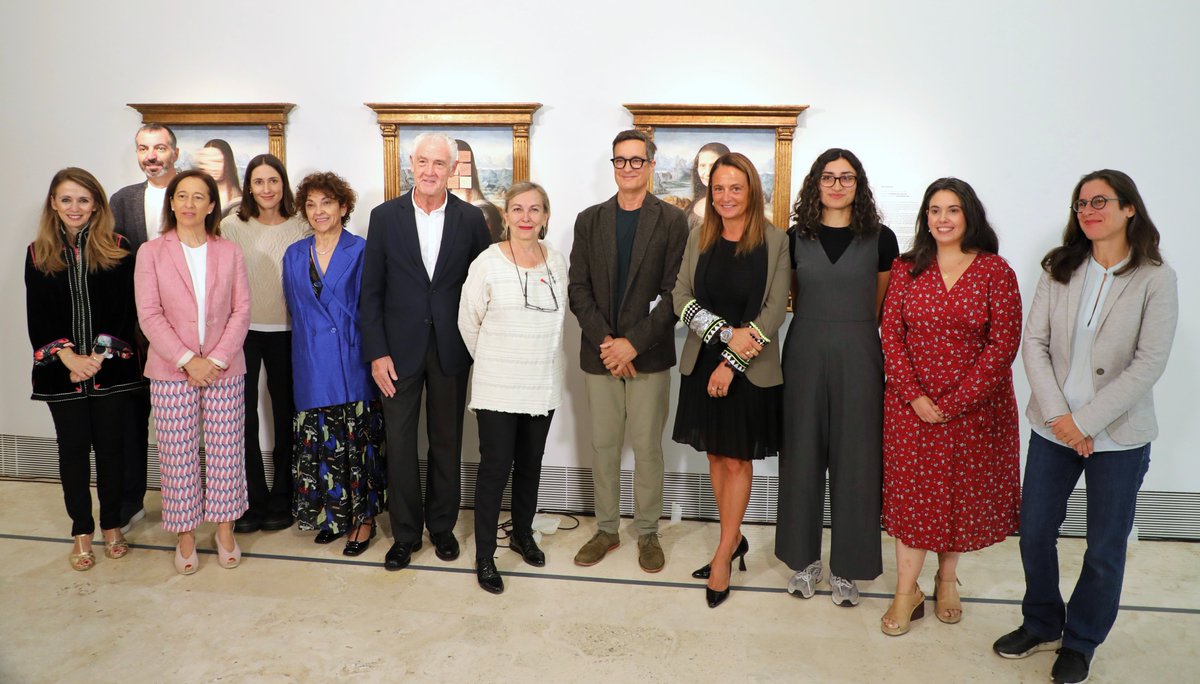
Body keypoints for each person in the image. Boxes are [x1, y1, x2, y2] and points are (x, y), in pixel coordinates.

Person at [993, 170, 1178, 684]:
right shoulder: (1059, 267)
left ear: (1129, 208)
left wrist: (1086, 422)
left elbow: (1148, 363)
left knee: (1103, 548)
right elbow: (1034, 344)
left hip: (1119, 437)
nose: (1089, 211)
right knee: (1034, 532)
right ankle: (1041, 623)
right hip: (1053, 430)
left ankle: (1081, 641)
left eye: (1100, 201)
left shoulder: (1156, 277)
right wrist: (1061, 419)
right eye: (1081, 203)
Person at [878, 177, 1022, 636]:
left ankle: (946, 579)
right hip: (910, 407)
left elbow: (1003, 345)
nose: (943, 219)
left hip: (975, 410)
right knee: (913, 500)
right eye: (935, 210)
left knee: (956, 496)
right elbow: (891, 334)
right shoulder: (906, 268)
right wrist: (915, 395)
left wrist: (955, 402)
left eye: (952, 210)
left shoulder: (995, 271)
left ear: (968, 215)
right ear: (926, 218)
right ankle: (906, 592)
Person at [360, 132, 491, 571]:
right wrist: (377, 353)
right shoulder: (384, 217)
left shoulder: (471, 219)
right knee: (399, 444)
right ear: (411, 165)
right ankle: (405, 534)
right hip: (396, 354)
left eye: (439, 163)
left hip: (452, 349)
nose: (430, 170)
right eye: (423, 162)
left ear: (452, 169)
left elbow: (482, 288)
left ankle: (442, 527)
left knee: (446, 441)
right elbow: (371, 291)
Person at [775, 148, 899, 607]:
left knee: (857, 461)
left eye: (847, 177)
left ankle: (848, 568)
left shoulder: (881, 239)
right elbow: (792, 294)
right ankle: (804, 562)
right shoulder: (795, 237)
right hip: (804, 350)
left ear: (858, 184)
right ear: (816, 183)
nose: (837, 185)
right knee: (801, 455)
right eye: (828, 177)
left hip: (860, 352)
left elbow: (880, 302)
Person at [567, 129, 688, 572]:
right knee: (603, 446)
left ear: (651, 166)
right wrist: (608, 342)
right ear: (613, 165)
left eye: (637, 160)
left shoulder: (672, 222)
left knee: (647, 447)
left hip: (648, 355)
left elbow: (676, 294)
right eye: (621, 160)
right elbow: (578, 289)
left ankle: (648, 532)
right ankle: (606, 530)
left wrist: (632, 344)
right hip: (600, 355)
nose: (628, 168)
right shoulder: (589, 220)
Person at [673, 152, 790, 607]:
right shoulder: (699, 237)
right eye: (718, 188)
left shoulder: (775, 241)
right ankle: (733, 538)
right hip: (703, 361)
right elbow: (680, 296)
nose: (726, 196)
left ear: (752, 191)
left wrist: (732, 361)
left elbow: (774, 311)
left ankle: (723, 553)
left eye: (735, 188)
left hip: (750, 369)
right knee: (717, 455)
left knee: (739, 460)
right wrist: (724, 336)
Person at [25, 168, 146, 570]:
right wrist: (68, 357)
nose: (74, 207)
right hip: (61, 373)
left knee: (112, 449)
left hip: (110, 369)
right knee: (73, 451)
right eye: (66, 199)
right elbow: (38, 316)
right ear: (54, 204)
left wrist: (95, 357)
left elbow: (125, 310)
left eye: (83, 199)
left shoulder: (118, 247)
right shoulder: (37, 253)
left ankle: (111, 525)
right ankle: (81, 530)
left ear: (96, 204)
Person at [134, 169, 251, 575]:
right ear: (171, 202)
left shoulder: (229, 251)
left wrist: (214, 360)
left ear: (211, 205)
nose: (188, 203)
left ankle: (224, 530)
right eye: (181, 195)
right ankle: (185, 534)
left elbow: (241, 310)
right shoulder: (151, 252)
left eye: (198, 196)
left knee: (226, 452)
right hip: (171, 370)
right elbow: (149, 314)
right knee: (177, 455)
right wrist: (187, 359)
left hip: (224, 369)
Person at [459, 181, 568, 594]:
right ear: (505, 216)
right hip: (499, 385)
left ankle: (523, 533)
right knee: (494, 469)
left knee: (530, 465)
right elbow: (468, 321)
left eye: (534, 209)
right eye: (518, 209)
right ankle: (485, 555)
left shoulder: (556, 261)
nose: (526, 217)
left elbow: (559, 322)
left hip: (542, 383)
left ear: (545, 216)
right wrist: (494, 360)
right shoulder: (487, 263)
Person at [283, 172, 386, 556]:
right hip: (311, 362)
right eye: (311, 204)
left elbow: (372, 307)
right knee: (320, 444)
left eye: (326, 202)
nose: (318, 211)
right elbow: (296, 310)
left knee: (357, 444)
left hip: (351, 360)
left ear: (343, 207)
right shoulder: (294, 254)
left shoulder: (361, 250)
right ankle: (334, 515)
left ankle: (364, 519)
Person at [221, 154, 310, 534]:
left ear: (283, 184)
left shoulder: (302, 225)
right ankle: (251, 499)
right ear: (248, 187)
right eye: (258, 182)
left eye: (273, 180)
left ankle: (283, 497)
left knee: (286, 413)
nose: (266, 189)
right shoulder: (231, 226)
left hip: (288, 331)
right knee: (243, 416)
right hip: (242, 331)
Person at [110, 122, 179, 530]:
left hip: (187, 330)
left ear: (175, 152)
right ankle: (131, 500)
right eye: (143, 148)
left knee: (188, 425)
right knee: (133, 417)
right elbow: (113, 263)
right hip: (135, 329)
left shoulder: (192, 193)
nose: (151, 156)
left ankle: (201, 502)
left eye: (159, 147)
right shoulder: (123, 200)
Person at [685, 142, 730, 230]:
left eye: (713, 165)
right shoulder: (694, 203)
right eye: (702, 166)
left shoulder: (735, 204)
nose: (707, 172)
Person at [195, 138, 243, 218]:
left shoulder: (237, 199)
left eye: (217, 161)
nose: (213, 167)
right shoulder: (196, 194)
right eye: (208, 162)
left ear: (227, 163)